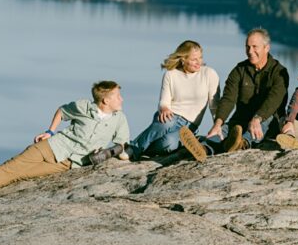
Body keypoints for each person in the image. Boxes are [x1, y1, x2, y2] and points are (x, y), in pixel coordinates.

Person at [0, 80, 129, 206]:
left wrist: (108, 153)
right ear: (106, 100)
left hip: (69, 163)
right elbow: (62, 111)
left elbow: (123, 144)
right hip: (52, 146)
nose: (121, 99)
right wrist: (50, 131)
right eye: (118, 96)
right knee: (12, 167)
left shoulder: (119, 118)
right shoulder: (83, 107)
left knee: (19, 175)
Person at [89, 40, 220, 164]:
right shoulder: (171, 74)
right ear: (183, 59)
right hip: (170, 116)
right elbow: (164, 102)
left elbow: (214, 106)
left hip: (190, 126)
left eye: (200, 58)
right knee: (168, 123)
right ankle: (132, 150)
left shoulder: (209, 74)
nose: (199, 62)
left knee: (169, 144)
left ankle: (132, 149)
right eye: (194, 59)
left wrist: (217, 126)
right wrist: (164, 108)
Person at [179, 27, 289, 161]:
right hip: (241, 120)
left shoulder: (279, 72)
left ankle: (242, 144)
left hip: (266, 120)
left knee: (262, 123)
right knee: (224, 130)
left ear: (266, 48)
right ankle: (203, 148)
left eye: (255, 47)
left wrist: (257, 118)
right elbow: (228, 99)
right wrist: (218, 123)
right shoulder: (239, 70)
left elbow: (274, 100)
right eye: (247, 47)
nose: (250, 51)